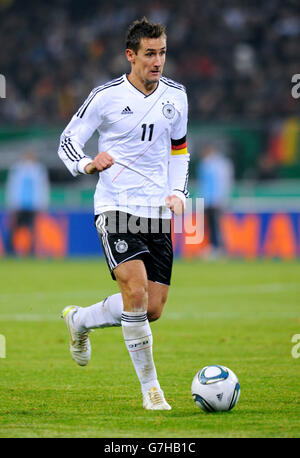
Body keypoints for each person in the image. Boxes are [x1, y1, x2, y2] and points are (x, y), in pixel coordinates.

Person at [58, 17, 189, 410]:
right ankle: (152, 390)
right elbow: (69, 140)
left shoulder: (177, 96)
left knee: (151, 308)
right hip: (116, 207)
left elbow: (180, 150)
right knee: (134, 291)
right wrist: (87, 165)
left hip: (157, 212)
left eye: (162, 52)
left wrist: (179, 193)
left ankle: (80, 320)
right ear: (130, 56)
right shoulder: (105, 96)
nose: (157, 61)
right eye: (150, 54)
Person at [5, 151, 50, 255]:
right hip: (19, 204)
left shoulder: (39, 169)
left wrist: (43, 203)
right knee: (14, 230)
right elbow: (12, 186)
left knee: (32, 230)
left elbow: (43, 187)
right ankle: (9, 252)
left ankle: (31, 252)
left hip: (33, 205)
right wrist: (11, 203)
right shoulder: (16, 168)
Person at [197, 144, 233, 258]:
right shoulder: (221, 164)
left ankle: (217, 248)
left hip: (212, 200)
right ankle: (215, 247)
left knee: (214, 225)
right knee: (214, 225)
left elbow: (210, 184)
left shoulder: (209, 165)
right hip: (213, 200)